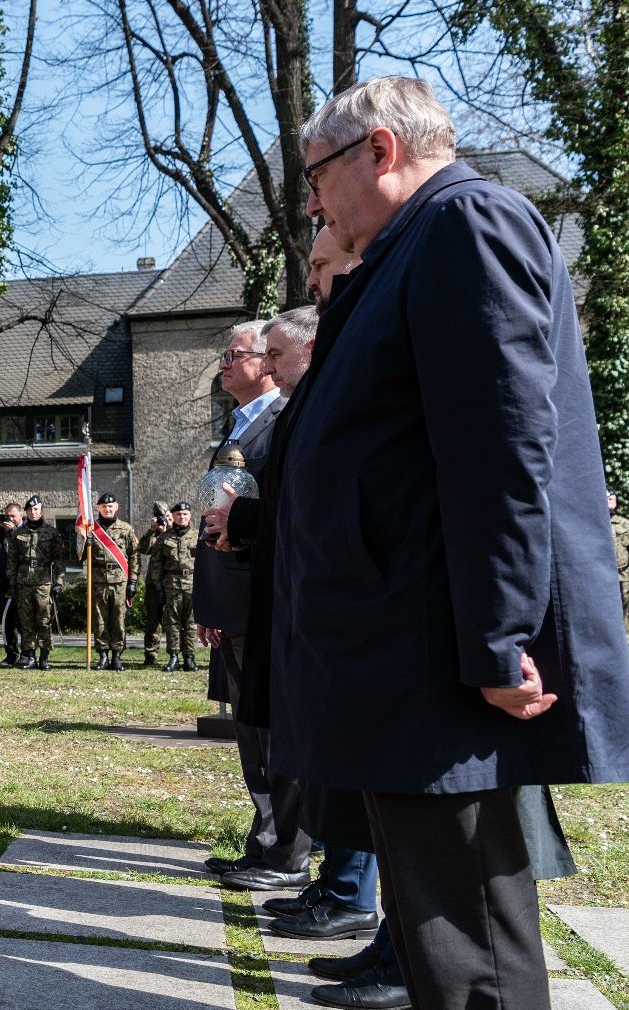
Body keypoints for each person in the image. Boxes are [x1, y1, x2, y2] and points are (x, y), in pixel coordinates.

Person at [232, 77, 629, 1010]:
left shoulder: (465, 227)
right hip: (403, 655)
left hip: (440, 660)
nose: (314, 205)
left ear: (379, 150)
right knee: (433, 935)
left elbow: (501, 448)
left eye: (318, 178)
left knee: (470, 948)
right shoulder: (412, 245)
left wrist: (500, 639)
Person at [190, 318, 309, 895]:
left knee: (272, 730)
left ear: (268, 361)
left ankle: (289, 849)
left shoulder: (283, 421)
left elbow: (268, 516)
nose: (225, 363)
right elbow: (216, 519)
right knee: (248, 730)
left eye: (236, 353)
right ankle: (265, 837)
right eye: (224, 354)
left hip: (265, 603)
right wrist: (208, 601)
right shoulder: (239, 426)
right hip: (233, 604)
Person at [85, 494, 138, 670]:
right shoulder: (91, 529)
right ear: (98, 508)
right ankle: (102, 655)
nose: (107, 509)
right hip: (98, 580)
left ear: (116, 507)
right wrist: (86, 543)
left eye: (110, 506)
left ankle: (116, 655)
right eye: (103, 507)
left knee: (118, 619)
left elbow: (134, 556)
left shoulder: (125, 529)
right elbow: (80, 556)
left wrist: (133, 581)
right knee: (99, 620)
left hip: (120, 581)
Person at [11, 496, 64, 670]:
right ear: (26, 512)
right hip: (23, 582)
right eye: (30, 510)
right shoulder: (18, 533)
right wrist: (12, 583)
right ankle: (30, 656)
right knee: (26, 622)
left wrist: (58, 582)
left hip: (43, 582)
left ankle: (44, 656)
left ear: (41, 511)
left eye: (36, 509)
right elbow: (12, 561)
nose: (33, 512)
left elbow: (59, 560)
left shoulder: (52, 532)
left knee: (44, 620)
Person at [154, 503, 199, 671]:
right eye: (179, 514)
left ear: (190, 515)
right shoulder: (164, 538)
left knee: (191, 623)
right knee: (172, 623)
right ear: (173, 516)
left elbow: (206, 563)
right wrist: (158, 588)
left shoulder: (197, 536)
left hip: (193, 584)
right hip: (171, 585)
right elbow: (157, 564)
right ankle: (173, 657)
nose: (182, 517)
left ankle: (189, 657)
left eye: (185, 514)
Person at [0, 504, 24, 665]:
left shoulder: (25, 530)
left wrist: (12, 531)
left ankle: (28, 654)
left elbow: (25, 547)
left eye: (13, 516)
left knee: (23, 619)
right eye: (7, 515)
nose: (10, 519)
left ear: (20, 515)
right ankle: (11, 654)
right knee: (5, 618)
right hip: (3, 580)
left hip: (22, 580)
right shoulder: (0, 532)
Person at [136, 503, 169, 666]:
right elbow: (142, 549)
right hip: (153, 583)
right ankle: (151, 655)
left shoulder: (173, 532)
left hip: (172, 583)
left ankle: (175, 655)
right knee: (152, 621)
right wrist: (152, 530)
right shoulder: (153, 535)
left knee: (173, 622)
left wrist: (166, 531)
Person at [612, 489, 629, 636]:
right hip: (602, 574)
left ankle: (624, 636)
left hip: (623, 574)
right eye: (608, 497)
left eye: (613, 497)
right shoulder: (597, 524)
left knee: (624, 604)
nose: (611, 500)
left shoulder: (624, 524)